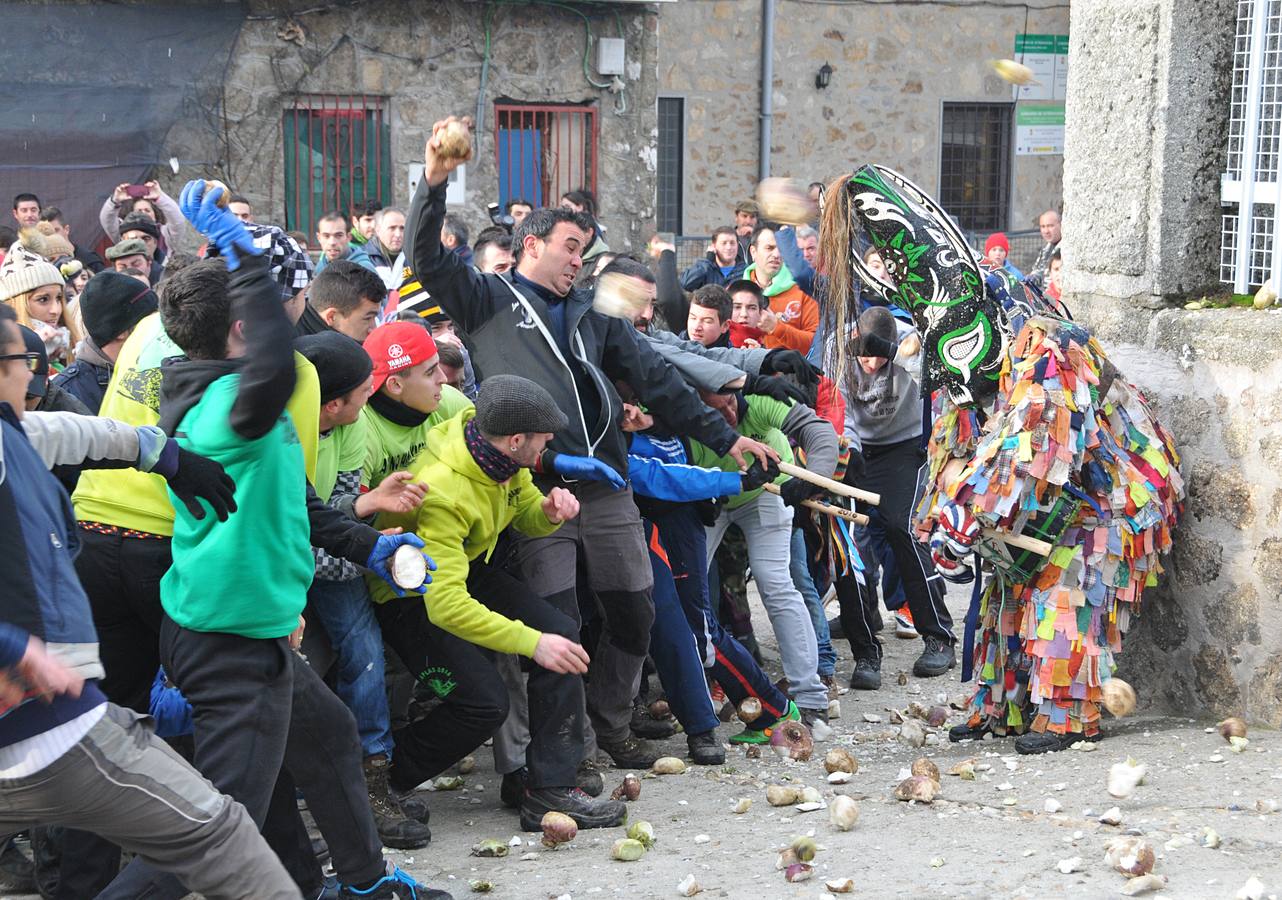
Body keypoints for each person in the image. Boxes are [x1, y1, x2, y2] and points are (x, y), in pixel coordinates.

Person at [97, 180, 449, 900]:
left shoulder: (223, 394)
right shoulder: (231, 404)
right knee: (215, 833)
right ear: (240, 333)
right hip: (229, 645)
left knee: (329, 741)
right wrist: (237, 247)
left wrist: (371, 545)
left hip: (242, 633)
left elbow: (300, 504)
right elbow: (267, 341)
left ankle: (363, 885)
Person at [408, 116, 778, 770]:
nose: (579, 259)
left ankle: (611, 723)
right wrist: (435, 180)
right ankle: (558, 753)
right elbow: (428, 258)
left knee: (634, 615)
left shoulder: (592, 313)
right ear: (530, 247)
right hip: (534, 490)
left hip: (607, 487)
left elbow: (658, 380)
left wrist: (726, 437)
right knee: (556, 624)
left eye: (584, 249)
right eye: (570, 245)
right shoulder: (485, 301)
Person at [0, 302, 306, 900]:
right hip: (44, 726)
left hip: (50, 721)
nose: (33, 376)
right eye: (21, 360)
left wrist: (162, 454)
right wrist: (13, 648)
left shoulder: (20, 433)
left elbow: (78, 433)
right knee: (218, 835)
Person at [369, 374, 630, 831]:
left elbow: (523, 507)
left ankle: (547, 788)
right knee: (484, 703)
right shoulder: (443, 492)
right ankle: (378, 782)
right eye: (543, 439)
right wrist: (530, 643)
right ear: (515, 440)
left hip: (464, 567)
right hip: (407, 594)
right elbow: (444, 606)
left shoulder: (498, 453)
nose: (549, 444)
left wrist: (547, 513)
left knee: (561, 632)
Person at [295, 331, 432, 851]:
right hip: (271, 558)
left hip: (325, 547)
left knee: (364, 652)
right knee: (293, 669)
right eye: (361, 392)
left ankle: (372, 785)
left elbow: (338, 509)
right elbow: (297, 522)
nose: (368, 399)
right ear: (332, 403)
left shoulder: (349, 429)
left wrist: (370, 521)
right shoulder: (282, 430)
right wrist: (368, 545)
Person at [690, 385, 839, 729]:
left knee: (775, 582)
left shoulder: (760, 399)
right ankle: (698, 693)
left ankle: (810, 694)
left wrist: (813, 480)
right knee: (691, 588)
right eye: (716, 412)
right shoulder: (684, 413)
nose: (729, 417)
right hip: (711, 493)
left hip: (767, 492)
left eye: (730, 404)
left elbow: (819, 432)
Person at [840, 306, 955, 686]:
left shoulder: (910, 344)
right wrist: (850, 449)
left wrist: (908, 352)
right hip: (859, 446)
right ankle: (865, 630)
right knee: (850, 537)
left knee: (902, 528)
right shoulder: (837, 348)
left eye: (878, 356)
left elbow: (935, 379)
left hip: (906, 445)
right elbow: (839, 407)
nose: (870, 365)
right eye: (864, 356)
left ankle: (938, 634)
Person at [359, 321, 473, 491]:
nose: (442, 379)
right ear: (396, 385)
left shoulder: (449, 400)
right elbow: (354, 509)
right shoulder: (362, 429)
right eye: (430, 372)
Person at [53, 271, 158, 412]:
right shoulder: (67, 394)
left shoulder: (156, 367)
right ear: (121, 332)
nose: (159, 326)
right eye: (150, 319)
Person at [1, 236, 79, 367]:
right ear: (15, 304)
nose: (56, 310)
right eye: (43, 299)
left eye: (59, 298)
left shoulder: (68, 349)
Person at [745, 225, 819, 353]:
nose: (777, 254)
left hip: (791, 371)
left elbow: (815, 344)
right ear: (753, 252)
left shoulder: (803, 290)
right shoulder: (737, 290)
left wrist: (776, 327)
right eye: (769, 248)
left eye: (781, 249)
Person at [303, 259, 385, 341]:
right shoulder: (298, 349)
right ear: (331, 317)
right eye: (368, 318)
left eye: (375, 318)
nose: (374, 329)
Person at [99, 181, 187, 250]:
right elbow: (107, 220)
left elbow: (178, 221)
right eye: (139, 211)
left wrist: (160, 198)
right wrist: (115, 200)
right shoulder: (123, 233)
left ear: (155, 215)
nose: (143, 213)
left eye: (147, 210)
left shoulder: (166, 235)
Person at [39, 206, 104, 273]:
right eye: (46, 232)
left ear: (66, 230)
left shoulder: (90, 260)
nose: (52, 235)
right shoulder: (39, 264)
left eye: (56, 230)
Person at [680, 226, 746, 290]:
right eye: (724, 243)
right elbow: (685, 284)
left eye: (732, 243)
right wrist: (708, 261)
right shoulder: (705, 269)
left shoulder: (746, 270)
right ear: (713, 246)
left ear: (737, 245)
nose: (728, 247)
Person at [315, 210, 376, 274]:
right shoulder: (319, 269)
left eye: (338, 236)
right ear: (319, 238)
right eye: (326, 236)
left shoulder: (364, 269)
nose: (332, 242)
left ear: (348, 237)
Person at [366, 207, 406, 289]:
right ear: (378, 230)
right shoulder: (365, 258)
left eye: (402, 228)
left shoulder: (413, 258)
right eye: (392, 228)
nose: (398, 234)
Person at [685, 284, 733, 348]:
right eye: (693, 318)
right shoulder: (671, 350)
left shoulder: (733, 357)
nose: (696, 327)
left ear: (725, 326)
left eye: (707, 321)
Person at [1029, 209, 1062, 285]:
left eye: (1050, 226)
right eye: (1043, 226)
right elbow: (1037, 272)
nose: (1046, 231)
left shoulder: (1066, 250)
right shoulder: (1045, 251)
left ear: (1061, 225)